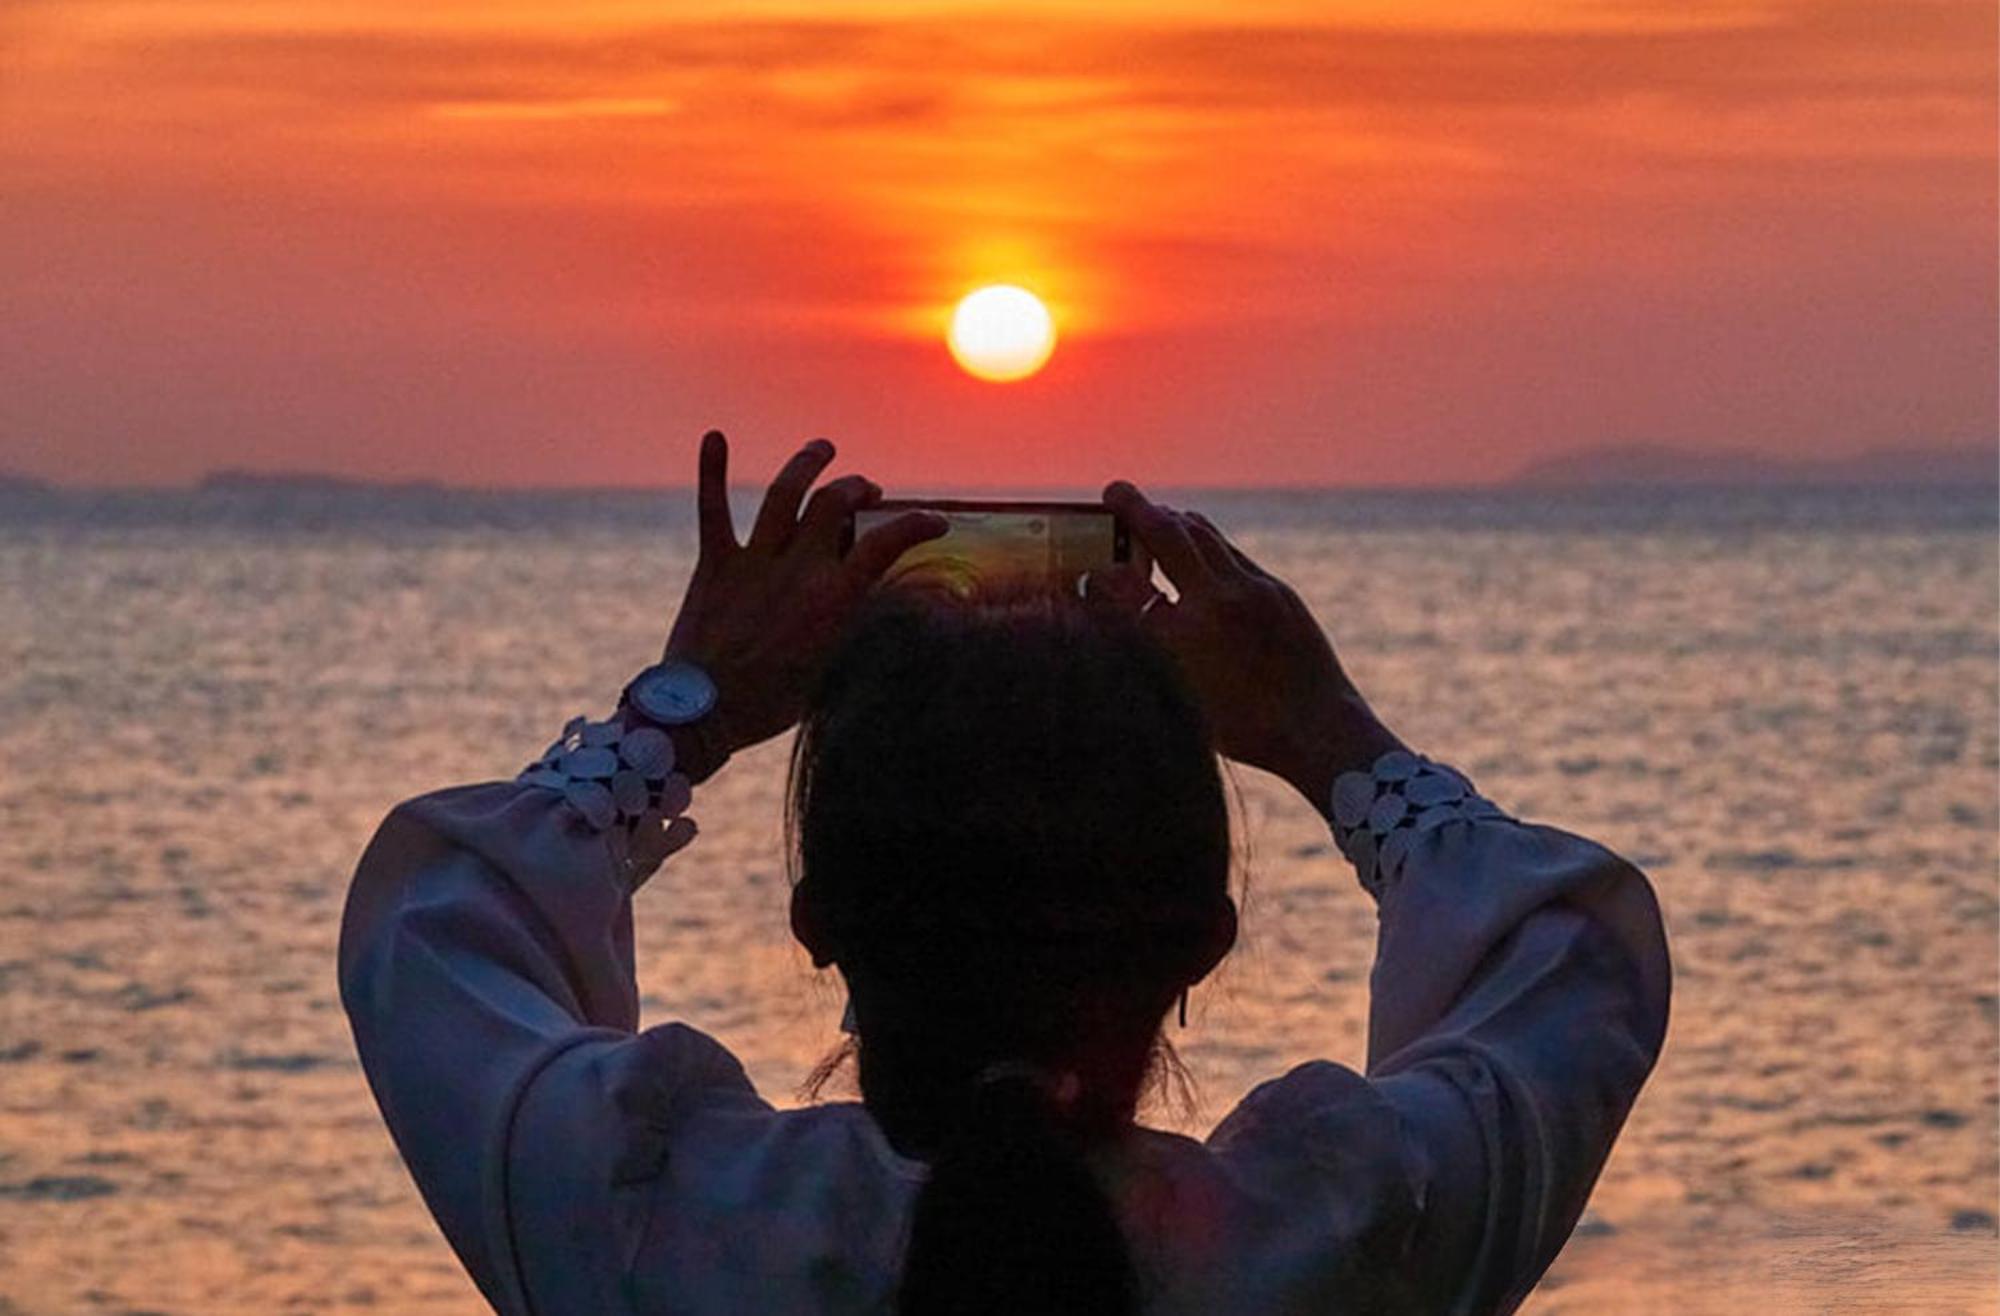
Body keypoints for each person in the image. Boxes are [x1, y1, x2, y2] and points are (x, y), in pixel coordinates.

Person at [339, 431, 1671, 1315]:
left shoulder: (648, 1221)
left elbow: (432, 930)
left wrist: (685, 713)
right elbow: (1575, 959)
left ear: (819, 922)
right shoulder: (1352, 1230)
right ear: (1204, 936)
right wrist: (1328, 739)